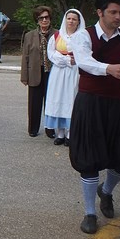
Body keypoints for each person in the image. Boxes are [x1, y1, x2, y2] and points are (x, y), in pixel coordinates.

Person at [68, 0, 120, 234]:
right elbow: (84, 61)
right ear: (100, 12)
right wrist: (109, 69)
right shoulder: (84, 36)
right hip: (91, 103)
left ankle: (106, 191)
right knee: (89, 158)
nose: (119, 16)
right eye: (113, 12)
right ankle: (90, 213)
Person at [44, 9, 86, 146]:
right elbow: (51, 53)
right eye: (69, 18)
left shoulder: (83, 37)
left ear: (78, 22)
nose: (71, 21)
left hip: (74, 72)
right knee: (58, 98)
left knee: (71, 99)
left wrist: (74, 60)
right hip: (58, 72)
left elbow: (85, 54)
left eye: (74, 19)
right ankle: (60, 133)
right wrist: (66, 60)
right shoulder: (57, 36)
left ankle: (70, 134)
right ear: (65, 19)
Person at [21, 6, 57, 138]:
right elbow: (25, 57)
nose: (44, 20)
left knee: (50, 103)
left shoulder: (57, 34)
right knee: (34, 103)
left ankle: (50, 129)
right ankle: (33, 128)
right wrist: (24, 76)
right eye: (41, 18)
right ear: (37, 20)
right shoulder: (29, 35)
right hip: (35, 72)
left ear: (50, 19)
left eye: (46, 17)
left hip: (52, 73)